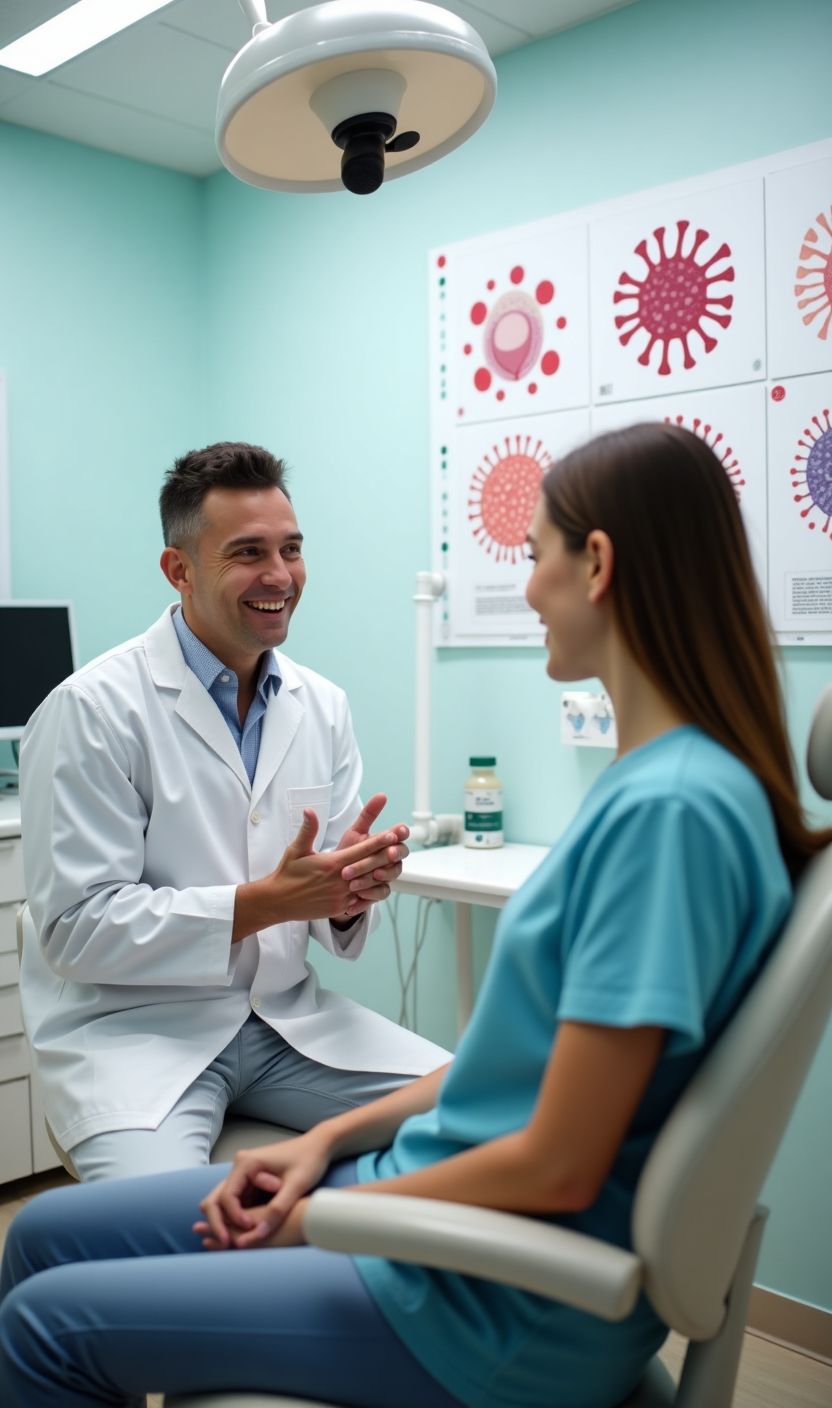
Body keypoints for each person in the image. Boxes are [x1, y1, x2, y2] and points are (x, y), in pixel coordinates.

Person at [3, 421, 828, 1408]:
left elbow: (559, 1158)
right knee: (41, 1234)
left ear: (595, 564)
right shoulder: (670, 786)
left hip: (469, 1296)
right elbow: (510, 1077)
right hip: (172, 1047)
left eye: (533, 556)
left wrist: (319, 1216)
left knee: (42, 1318)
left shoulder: (667, 810)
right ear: (179, 568)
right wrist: (316, 1152)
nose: (525, 589)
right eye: (250, 552)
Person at [17, 441, 449, 1183]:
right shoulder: (90, 710)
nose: (279, 576)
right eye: (248, 552)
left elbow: (324, 915)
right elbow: (75, 931)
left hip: (287, 1023)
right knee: (167, 1228)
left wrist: (347, 896)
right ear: (178, 570)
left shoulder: (323, 706)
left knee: (491, 1119)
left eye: (291, 549)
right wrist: (262, 904)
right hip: (140, 1037)